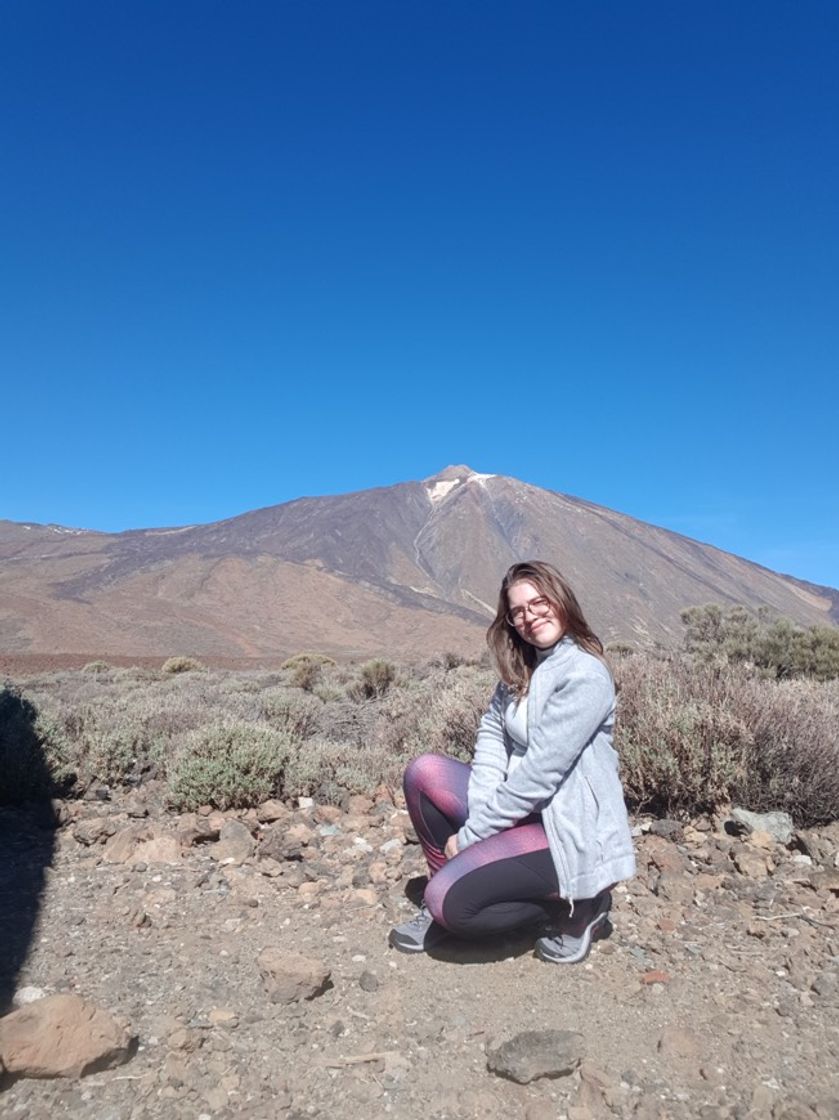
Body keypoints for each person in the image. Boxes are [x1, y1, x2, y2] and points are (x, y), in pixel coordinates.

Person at [388, 560, 636, 963]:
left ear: (561, 601)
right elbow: (492, 736)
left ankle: (576, 906)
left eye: (539, 602)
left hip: (564, 827)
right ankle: (449, 882)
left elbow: (539, 775)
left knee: (449, 903)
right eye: (518, 610)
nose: (529, 616)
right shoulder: (522, 669)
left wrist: (471, 837)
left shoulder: (584, 675)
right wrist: (483, 809)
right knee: (424, 773)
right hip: (516, 812)